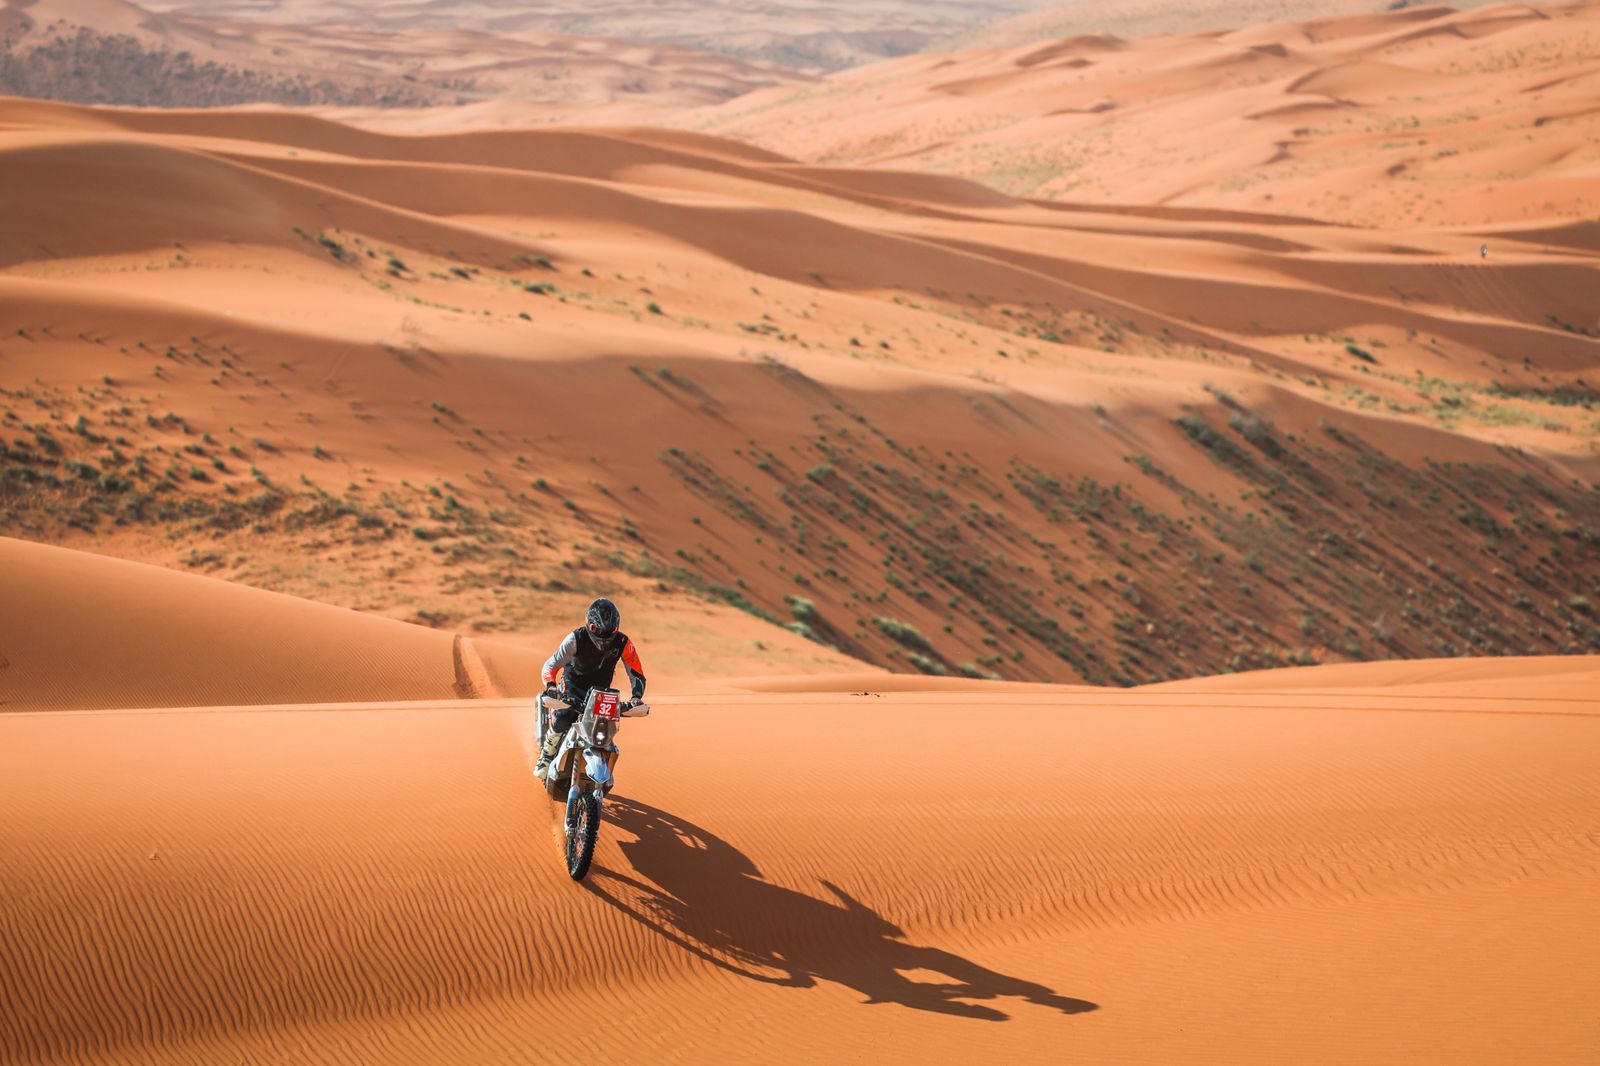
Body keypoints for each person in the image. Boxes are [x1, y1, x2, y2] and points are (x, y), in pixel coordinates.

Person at [536, 597, 646, 774]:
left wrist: (636, 697)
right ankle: (546, 757)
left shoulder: (623, 643)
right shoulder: (575, 638)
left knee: (606, 728)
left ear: (616, 628)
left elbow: (636, 672)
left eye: (609, 631)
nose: (603, 636)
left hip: (601, 692)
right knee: (565, 716)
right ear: (589, 625)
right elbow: (551, 665)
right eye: (597, 630)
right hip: (573, 684)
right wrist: (551, 686)